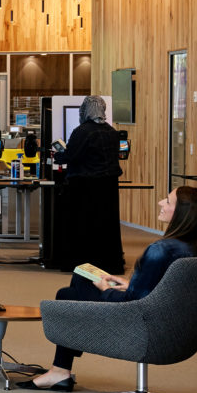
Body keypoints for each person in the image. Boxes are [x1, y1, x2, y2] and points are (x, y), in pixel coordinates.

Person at [32, 183, 197, 392]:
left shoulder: (162, 251)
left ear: (183, 213)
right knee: (74, 288)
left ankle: (60, 370)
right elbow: (172, 291)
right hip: (175, 327)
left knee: (72, 289)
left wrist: (106, 288)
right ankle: (60, 370)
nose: (160, 203)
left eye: (167, 201)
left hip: (143, 329)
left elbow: (130, 304)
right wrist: (131, 285)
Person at [45, 94, 127, 277]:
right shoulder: (112, 132)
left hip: (84, 186)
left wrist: (57, 155)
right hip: (109, 186)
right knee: (106, 226)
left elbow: (71, 156)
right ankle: (109, 264)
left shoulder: (82, 131)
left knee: (82, 226)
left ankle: (81, 264)